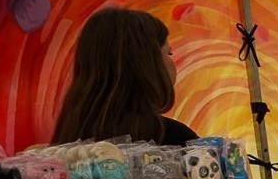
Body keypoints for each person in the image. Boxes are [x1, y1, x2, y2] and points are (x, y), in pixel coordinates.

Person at [52, 8, 196, 145]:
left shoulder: (67, 137)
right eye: (168, 53)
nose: (173, 63)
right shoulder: (177, 139)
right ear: (147, 65)